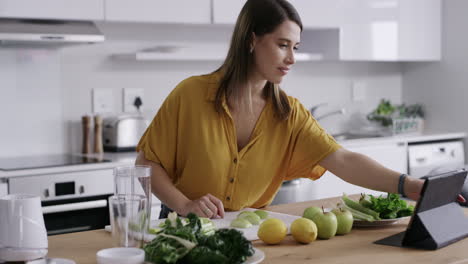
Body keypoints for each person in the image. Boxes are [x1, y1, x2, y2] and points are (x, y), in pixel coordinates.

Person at [135, 0, 465, 219]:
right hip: (182, 232)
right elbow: (146, 163)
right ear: (251, 40)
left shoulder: (289, 114)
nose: (292, 58)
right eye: (282, 45)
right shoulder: (190, 95)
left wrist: (410, 186)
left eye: (296, 47)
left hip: (250, 236)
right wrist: (184, 205)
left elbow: (342, 160)